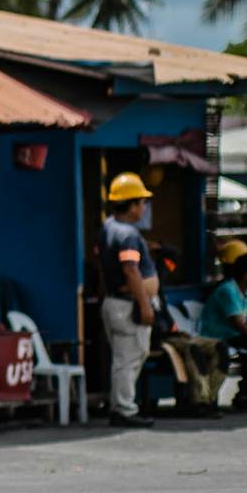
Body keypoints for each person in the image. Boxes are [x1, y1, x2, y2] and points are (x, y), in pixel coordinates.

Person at [99, 173, 161, 427]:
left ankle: (122, 405)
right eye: (141, 202)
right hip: (128, 305)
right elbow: (130, 269)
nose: (144, 208)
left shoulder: (108, 228)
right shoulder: (127, 235)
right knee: (128, 358)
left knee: (126, 356)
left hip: (116, 302)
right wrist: (145, 304)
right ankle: (124, 409)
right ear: (133, 204)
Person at [200, 239, 247, 413]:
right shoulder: (228, 290)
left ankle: (245, 394)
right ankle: (244, 395)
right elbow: (239, 324)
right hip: (218, 337)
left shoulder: (246, 295)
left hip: (235, 338)